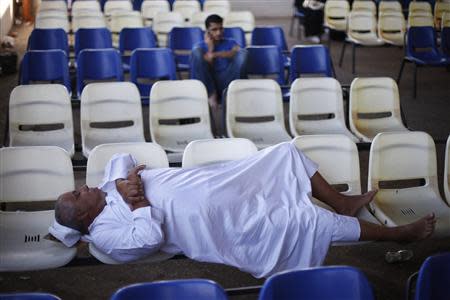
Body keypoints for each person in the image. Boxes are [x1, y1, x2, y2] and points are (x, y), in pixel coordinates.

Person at [50, 142, 436, 278]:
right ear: (84, 218)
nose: (82, 186)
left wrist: (123, 182)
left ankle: (342, 201)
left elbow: (121, 156)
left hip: (220, 181)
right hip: (221, 221)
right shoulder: (106, 235)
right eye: (77, 194)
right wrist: (137, 200)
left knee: (284, 153)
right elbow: (149, 238)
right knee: (309, 221)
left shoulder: (105, 187)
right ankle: (397, 234)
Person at [190, 14, 247, 112]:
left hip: (227, 81)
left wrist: (215, 54)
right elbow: (207, 69)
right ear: (207, 31)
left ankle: (229, 92)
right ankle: (211, 93)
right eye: (214, 29)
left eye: (221, 29)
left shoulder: (230, 42)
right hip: (208, 83)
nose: (219, 32)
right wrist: (210, 49)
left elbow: (237, 52)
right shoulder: (200, 47)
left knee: (243, 53)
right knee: (196, 52)